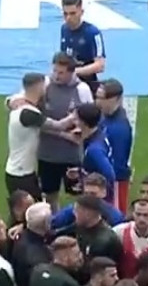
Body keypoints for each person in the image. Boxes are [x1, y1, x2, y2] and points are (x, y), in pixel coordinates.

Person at [6, 72, 75, 211]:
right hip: (21, 175)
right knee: (34, 212)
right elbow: (59, 125)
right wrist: (77, 113)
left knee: (26, 212)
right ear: (38, 87)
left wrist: (68, 137)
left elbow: (44, 129)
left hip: (19, 172)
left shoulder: (21, 107)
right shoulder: (29, 113)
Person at [34, 53, 93, 211]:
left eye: (61, 72)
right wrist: (65, 135)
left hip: (72, 156)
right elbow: (37, 120)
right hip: (47, 155)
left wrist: (80, 133)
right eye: (54, 70)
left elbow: (91, 118)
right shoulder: (45, 86)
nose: (56, 75)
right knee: (49, 195)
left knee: (80, 196)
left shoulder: (82, 89)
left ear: (71, 72)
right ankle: (54, 221)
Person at [95, 79, 133, 208]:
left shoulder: (119, 128)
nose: (97, 102)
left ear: (115, 99)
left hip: (114, 183)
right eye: (97, 97)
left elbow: (118, 163)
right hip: (102, 179)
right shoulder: (105, 117)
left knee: (114, 215)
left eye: (102, 98)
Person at [60, 0, 107, 93]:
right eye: (65, 14)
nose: (68, 18)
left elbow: (100, 65)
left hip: (87, 82)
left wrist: (74, 72)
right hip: (67, 80)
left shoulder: (93, 33)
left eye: (73, 13)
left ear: (81, 12)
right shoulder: (64, 29)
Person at [74, 103, 118, 202]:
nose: (74, 121)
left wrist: (102, 196)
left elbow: (109, 174)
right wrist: (80, 171)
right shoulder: (98, 134)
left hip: (97, 201)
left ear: (83, 123)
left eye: (76, 119)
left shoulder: (94, 149)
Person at [50, 174, 124, 230]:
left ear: (104, 193)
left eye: (93, 194)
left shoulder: (114, 217)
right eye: (86, 193)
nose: (89, 198)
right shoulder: (72, 210)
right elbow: (52, 223)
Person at [70, 193, 125, 266]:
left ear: (87, 214)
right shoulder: (82, 227)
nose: (74, 213)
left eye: (77, 211)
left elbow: (92, 268)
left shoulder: (104, 241)